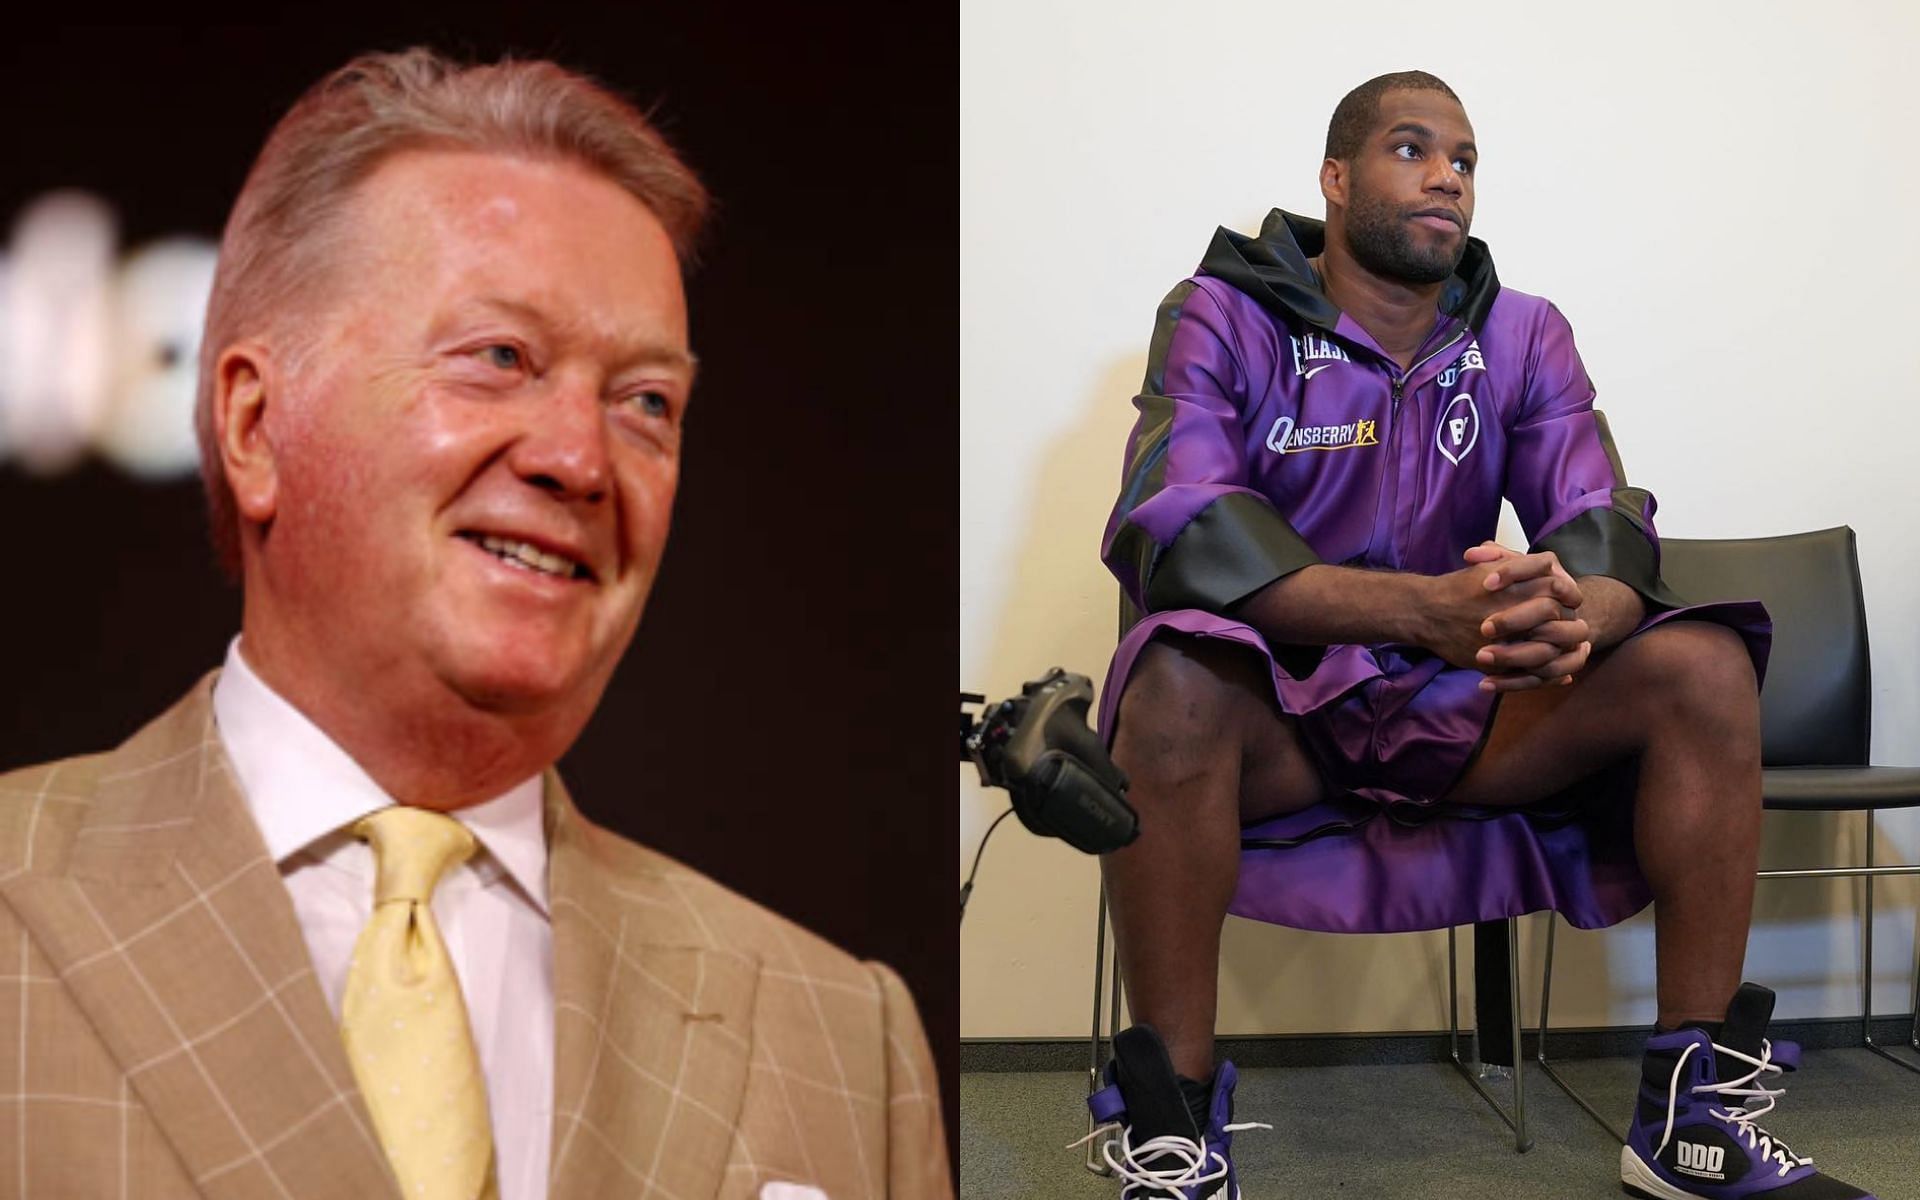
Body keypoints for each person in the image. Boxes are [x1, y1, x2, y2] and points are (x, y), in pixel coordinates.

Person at [0, 49, 950, 1200]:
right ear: (254, 425)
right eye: (499, 359)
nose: (579, 459)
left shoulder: (844, 1038)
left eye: (645, 403)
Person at [1089, 70, 1871, 1200]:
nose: (1447, 175)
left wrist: (1573, 616)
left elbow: (1603, 525)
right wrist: (1418, 609)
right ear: (1336, 177)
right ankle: (1176, 1145)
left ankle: (1688, 1123)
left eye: (1463, 159)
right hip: (1285, 720)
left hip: (1461, 713)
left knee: (1699, 662)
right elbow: (1184, 529)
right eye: (1413, 149)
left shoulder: (1522, 333)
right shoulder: (1223, 312)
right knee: (1167, 674)